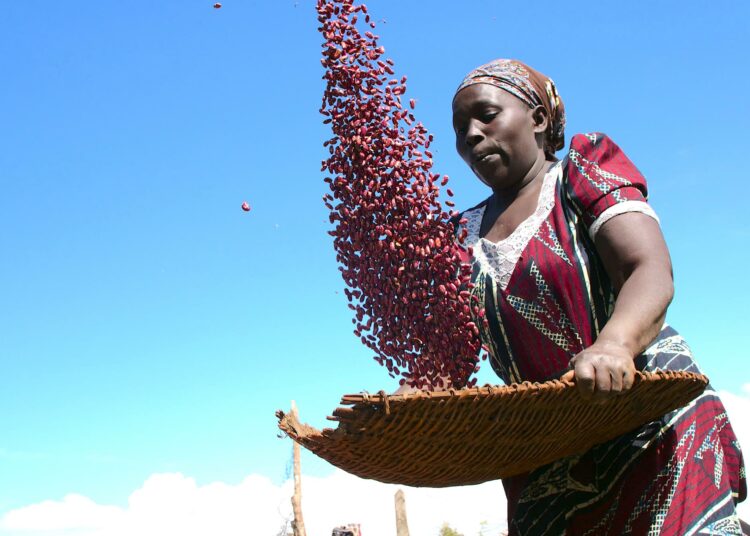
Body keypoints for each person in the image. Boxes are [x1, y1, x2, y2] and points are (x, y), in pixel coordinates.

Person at [448, 59, 747, 534]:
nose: (471, 134)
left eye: (486, 115)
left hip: (646, 419)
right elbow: (452, 348)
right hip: (550, 448)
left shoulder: (581, 174)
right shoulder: (458, 235)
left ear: (538, 119)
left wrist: (615, 344)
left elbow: (647, 268)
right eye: (460, 127)